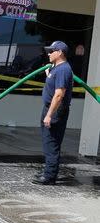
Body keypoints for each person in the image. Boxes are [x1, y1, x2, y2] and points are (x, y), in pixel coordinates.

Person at [33, 41, 73, 185]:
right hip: (51, 108)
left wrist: (49, 115)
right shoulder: (57, 69)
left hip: (55, 110)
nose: (48, 53)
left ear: (60, 53)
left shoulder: (63, 70)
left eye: (52, 51)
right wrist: (49, 74)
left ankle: (49, 177)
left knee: (52, 143)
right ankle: (49, 171)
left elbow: (59, 95)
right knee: (48, 141)